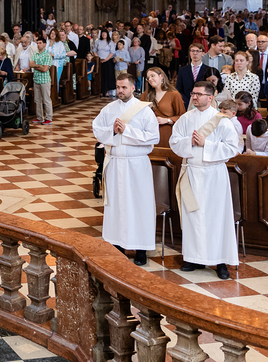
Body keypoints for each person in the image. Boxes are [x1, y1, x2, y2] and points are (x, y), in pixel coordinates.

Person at [169, 81, 240, 280]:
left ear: (210, 97)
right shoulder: (185, 118)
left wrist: (205, 144)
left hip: (213, 175)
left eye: (199, 94)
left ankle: (220, 261)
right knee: (192, 216)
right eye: (193, 93)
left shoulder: (222, 120)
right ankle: (193, 258)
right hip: (191, 172)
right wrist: (189, 142)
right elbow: (174, 141)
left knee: (216, 218)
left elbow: (232, 148)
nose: (194, 97)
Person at [91, 72, 159, 265]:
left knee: (139, 205)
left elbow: (153, 136)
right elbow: (97, 129)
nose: (120, 91)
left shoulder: (144, 110)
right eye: (118, 87)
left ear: (133, 88)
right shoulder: (109, 109)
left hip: (136, 164)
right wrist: (112, 131)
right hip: (114, 163)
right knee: (116, 205)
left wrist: (126, 130)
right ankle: (117, 245)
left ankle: (141, 249)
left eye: (124, 87)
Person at [142, 66, 185, 145]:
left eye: (152, 76)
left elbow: (182, 117)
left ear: (161, 76)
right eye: (148, 78)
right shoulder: (145, 95)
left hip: (167, 135)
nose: (150, 79)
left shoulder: (174, 94)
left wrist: (167, 120)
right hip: (148, 135)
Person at [30, 37, 54, 125]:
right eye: (37, 43)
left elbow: (45, 69)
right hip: (36, 79)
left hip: (45, 80)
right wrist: (39, 66)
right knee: (37, 100)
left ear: (44, 44)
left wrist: (36, 66)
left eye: (40, 43)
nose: (38, 45)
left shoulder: (47, 55)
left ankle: (49, 118)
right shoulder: (35, 54)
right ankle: (39, 117)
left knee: (46, 100)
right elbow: (30, 64)